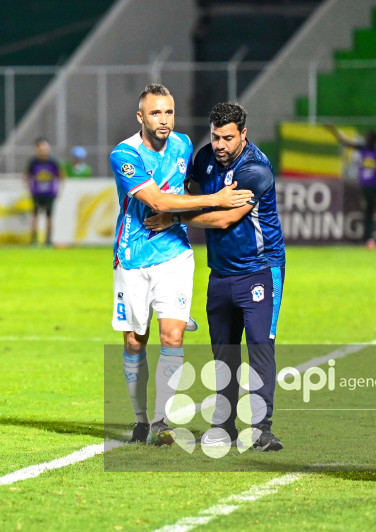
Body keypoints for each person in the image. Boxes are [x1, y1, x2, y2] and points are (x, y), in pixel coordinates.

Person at [110, 85, 253, 446]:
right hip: (132, 257)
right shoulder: (125, 154)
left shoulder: (184, 145)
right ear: (140, 117)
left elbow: (189, 187)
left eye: (169, 112)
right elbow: (157, 200)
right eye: (156, 113)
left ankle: (160, 421)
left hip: (174, 253)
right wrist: (216, 200)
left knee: (171, 336)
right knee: (134, 341)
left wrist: (192, 210)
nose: (164, 120)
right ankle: (140, 419)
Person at [146, 102, 286, 452]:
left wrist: (175, 218)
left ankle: (262, 429)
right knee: (223, 353)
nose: (220, 145)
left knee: (260, 348)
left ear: (243, 134)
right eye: (215, 137)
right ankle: (224, 424)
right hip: (220, 272)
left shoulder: (255, 169)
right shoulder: (205, 157)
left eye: (228, 138)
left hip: (260, 269)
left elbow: (225, 218)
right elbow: (190, 195)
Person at [325, 124, 376, 249]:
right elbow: (346, 142)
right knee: (368, 213)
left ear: (374, 140)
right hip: (367, 187)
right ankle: (369, 239)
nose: (366, 140)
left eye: (368, 138)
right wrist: (334, 131)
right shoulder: (364, 148)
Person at [24, 137, 64, 246]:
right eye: (40, 147)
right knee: (35, 216)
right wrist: (29, 188)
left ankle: (48, 240)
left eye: (44, 146)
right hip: (37, 193)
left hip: (50, 193)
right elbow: (26, 176)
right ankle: (34, 240)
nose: (43, 149)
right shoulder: (33, 162)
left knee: (49, 217)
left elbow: (61, 175)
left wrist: (59, 189)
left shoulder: (53, 161)